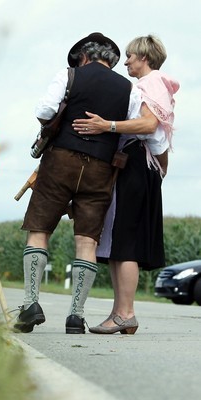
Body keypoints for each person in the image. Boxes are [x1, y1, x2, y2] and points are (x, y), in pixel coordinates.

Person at [14, 33, 142, 334]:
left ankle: (31, 303)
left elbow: (44, 111)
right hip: (100, 166)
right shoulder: (129, 88)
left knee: (39, 229)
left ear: (84, 57)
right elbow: (133, 128)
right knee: (87, 240)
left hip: (60, 160)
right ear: (110, 60)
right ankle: (75, 316)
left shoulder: (69, 75)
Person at [72, 35, 179, 334]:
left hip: (134, 162)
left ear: (144, 57)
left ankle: (125, 312)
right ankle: (120, 312)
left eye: (130, 55)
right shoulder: (153, 85)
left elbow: (148, 125)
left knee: (124, 241)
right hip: (140, 164)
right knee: (120, 242)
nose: (126, 60)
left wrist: (106, 125)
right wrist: (160, 167)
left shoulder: (151, 83)